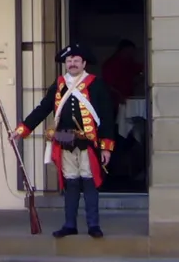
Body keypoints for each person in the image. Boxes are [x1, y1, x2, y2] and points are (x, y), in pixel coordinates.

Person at [11, 43, 115, 238]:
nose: (72, 63)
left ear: (84, 63)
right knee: (71, 183)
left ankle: (93, 225)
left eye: (76, 60)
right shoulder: (59, 85)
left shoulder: (96, 83)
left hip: (89, 143)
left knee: (90, 182)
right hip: (65, 141)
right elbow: (42, 109)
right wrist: (22, 129)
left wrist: (106, 147)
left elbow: (107, 116)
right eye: (69, 60)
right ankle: (70, 224)